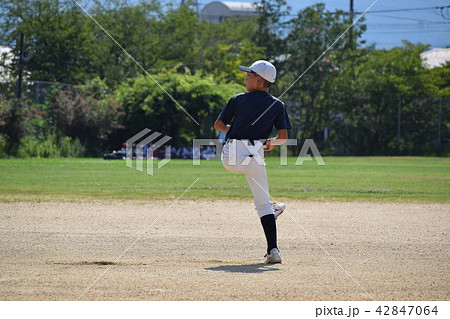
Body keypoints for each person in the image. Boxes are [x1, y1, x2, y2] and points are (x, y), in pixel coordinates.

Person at [214, 60, 292, 264]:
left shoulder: (238, 99)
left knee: (264, 203)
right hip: (256, 154)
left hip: (230, 156)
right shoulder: (278, 105)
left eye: (249, 75)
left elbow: (218, 125)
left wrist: (237, 128)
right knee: (263, 205)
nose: (246, 77)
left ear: (258, 80)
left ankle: (271, 212)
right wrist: (270, 142)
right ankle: (273, 250)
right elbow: (283, 137)